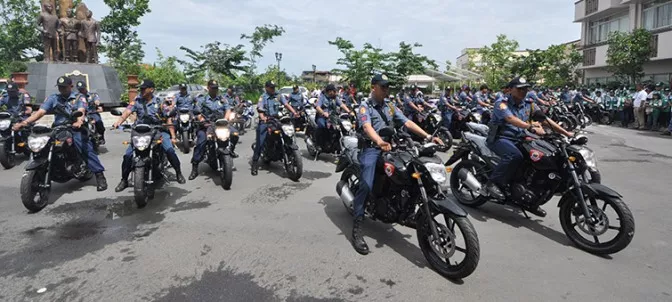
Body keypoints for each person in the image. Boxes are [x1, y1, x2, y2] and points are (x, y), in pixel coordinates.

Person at [351, 74, 443, 255]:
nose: (386, 90)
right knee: (366, 186)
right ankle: (357, 228)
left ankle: (405, 209)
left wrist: (428, 137)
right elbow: (367, 127)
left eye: (387, 87)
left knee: (411, 172)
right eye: (383, 87)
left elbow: (407, 122)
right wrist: (379, 141)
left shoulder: (390, 107)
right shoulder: (365, 106)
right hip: (372, 148)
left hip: (392, 147)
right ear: (373, 87)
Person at [484, 77, 573, 217]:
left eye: (525, 88)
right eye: (520, 88)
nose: (523, 91)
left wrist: (566, 133)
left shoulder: (530, 104)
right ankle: (492, 183)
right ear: (511, 89)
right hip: (501, 139)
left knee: (539, 157)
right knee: (515, 156)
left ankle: (530, 199)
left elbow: (544, 119)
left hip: (520, 138)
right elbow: (510, 119)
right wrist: (530, 127)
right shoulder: (501, 103)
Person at [13, 76, 107, 191]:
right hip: (59, 128)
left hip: (75, 128)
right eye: (60, 87)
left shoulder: (79, 97)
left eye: (64, 87)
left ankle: (99, 175)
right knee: (44, 143)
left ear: (71, 86)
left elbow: (81, 111)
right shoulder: (53, 98)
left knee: (84, 148)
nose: (62, 89)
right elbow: (41, 112)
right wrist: (24, 122)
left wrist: (78, 121)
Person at [112, 79, 186, 192]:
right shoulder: (137, 100)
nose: (141, 90)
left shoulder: (160, 102)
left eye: (143, 88)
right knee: (128, 155)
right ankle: (124, 180)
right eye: (140, 88)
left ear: (151, 89)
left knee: (169, 150)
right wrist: (118, 122)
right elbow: (127, 112)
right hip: (140, 131)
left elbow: (167, 115)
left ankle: (178, 172)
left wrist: (171, 115)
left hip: (157, 130)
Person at [188, 80, 239, 180]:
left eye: (216, 88)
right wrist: (201, 120)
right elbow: (197, 112)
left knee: (235, 134)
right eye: (212, 88)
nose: (215, 90)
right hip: (206, 125)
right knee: (201, 141)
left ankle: (230, 151)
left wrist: (226, 119)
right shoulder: (202, 100)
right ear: (208, 88)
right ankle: (195, 167)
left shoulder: (222, 99)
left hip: (221, 124)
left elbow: (228, 109)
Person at [251, 81, 299, 175]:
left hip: (276, 119)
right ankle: (254, 164)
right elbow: (260, 109)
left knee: (286, 133)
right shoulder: (263, 97)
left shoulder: (278, 96)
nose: (273, 89)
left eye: (274, 87)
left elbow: (286, 104)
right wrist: (262, 117)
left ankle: (287, 150)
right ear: (266, 88)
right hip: (266, 120)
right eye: (271, 88)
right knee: (260, 143)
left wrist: (294, 112)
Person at [315, 84, 352, 149]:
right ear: (329, 91)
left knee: (341, 126)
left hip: (333, 117)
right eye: (333, 91)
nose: (335, 92)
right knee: (322, 126)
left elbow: (342, 104)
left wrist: (349, 112)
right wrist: (323, 112)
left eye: (335, 91)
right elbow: (318, 107)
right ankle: (318, 144)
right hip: (322, 117)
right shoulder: (322, 97)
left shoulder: (335, 98)